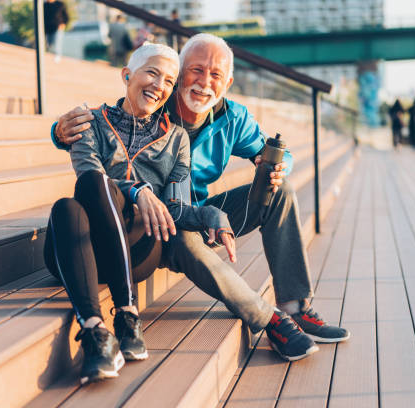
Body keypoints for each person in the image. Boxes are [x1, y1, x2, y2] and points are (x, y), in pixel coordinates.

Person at [50, 33, 350, 362]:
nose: (205, 82)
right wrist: (59, 132)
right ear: (179, 73)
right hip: (154, 224)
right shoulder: (157, 96)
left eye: (216, 74)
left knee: (281, 192)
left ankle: (295, 307)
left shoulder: (234, 118)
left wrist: (279, 168)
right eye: (195, 69)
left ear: (228, 82)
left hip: (193, 213)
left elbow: (278, 155)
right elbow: (110, 128)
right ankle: (270, 320)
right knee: (184, 234)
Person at [44, 43, 233, 384]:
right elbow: (89, 177)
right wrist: (137, 189)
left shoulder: (177, 139)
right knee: (67, 207)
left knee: (85, 192)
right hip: (81, 250)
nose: (160, 86)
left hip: (138, 250)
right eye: (152, 73)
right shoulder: (90, 120)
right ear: (127, 76)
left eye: (168, 81)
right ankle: (100, 330)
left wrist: (209, 216)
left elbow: (174, 209)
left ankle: (119, 318)